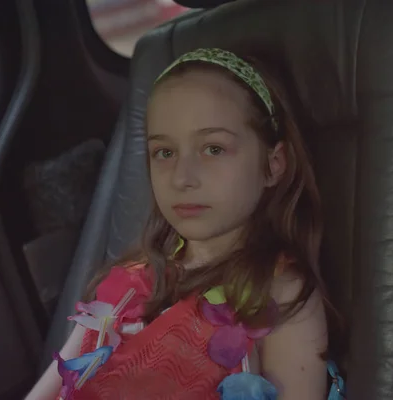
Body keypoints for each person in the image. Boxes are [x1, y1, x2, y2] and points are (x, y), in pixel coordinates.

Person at [26, 48, 345, 400]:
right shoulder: (126, 282)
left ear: (274, 164)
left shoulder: (280, 294)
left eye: (213, 149)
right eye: (165, 153)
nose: (182, 177)